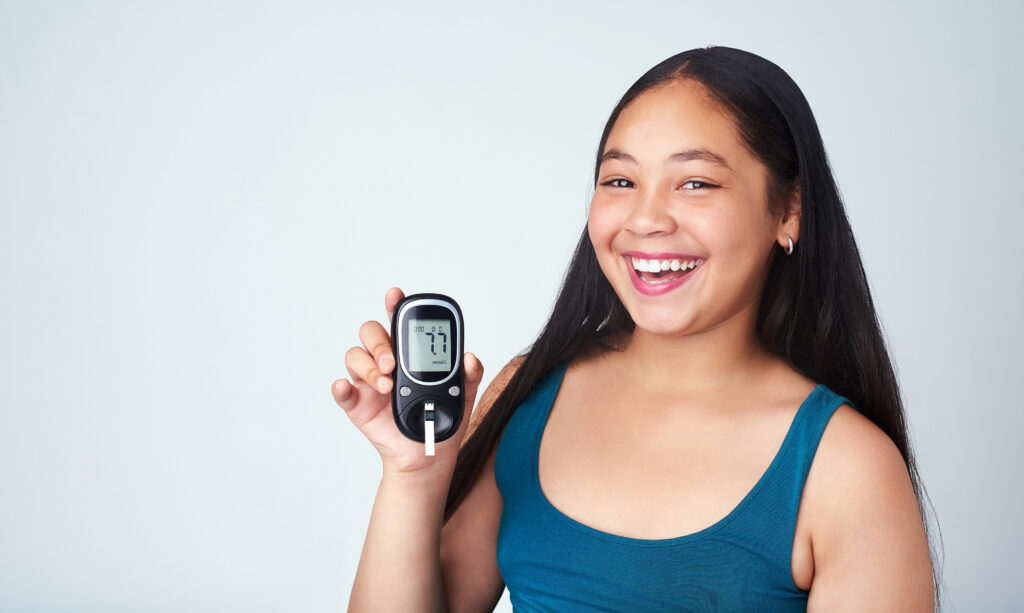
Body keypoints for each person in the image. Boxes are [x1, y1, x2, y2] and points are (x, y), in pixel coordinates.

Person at [333, 46, 941, 612]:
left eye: (695, 182)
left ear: (789, 211)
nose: (646, 219)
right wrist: (413, 478)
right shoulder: (528, 393)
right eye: (620, 181)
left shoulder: (846, 467)